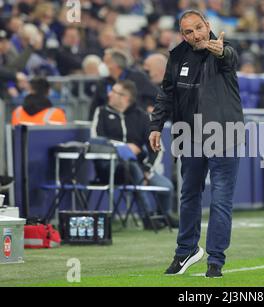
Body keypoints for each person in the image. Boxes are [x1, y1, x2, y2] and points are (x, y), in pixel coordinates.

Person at [149, 9, 243, 278]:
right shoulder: (178, 55)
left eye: (199, 28)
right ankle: (186, 251)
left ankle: (215, 260)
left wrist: (220, 51)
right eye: (188, 31)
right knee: (189, 195)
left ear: (208, 25)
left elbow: (230, 59)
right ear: (182, 34)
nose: (195, 35)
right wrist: (156, 125)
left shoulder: (224, 50)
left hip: (224, 134)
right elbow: (167, 92)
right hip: (188, 135)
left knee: (221, 198)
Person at [91, 80, 176, 229]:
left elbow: (156, 147)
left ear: (125, 97)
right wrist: (124, 148)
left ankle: (164, 215)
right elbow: (97, 141)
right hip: (111, 167)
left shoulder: (141, 116)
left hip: (140, 168)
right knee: (133, 169)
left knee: (166, 186)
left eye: (114, 91)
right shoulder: (102, 112)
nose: (109, 94)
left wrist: (147, 170)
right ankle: (148, 218)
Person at [89, 48, 160, 118]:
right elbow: (94, 107)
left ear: (116, 64)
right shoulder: (102, 82)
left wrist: (146, 107)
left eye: (106, 62)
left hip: (135, 120)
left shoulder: (137, 78)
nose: (102, 65)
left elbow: (155, 95)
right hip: (110, 121)